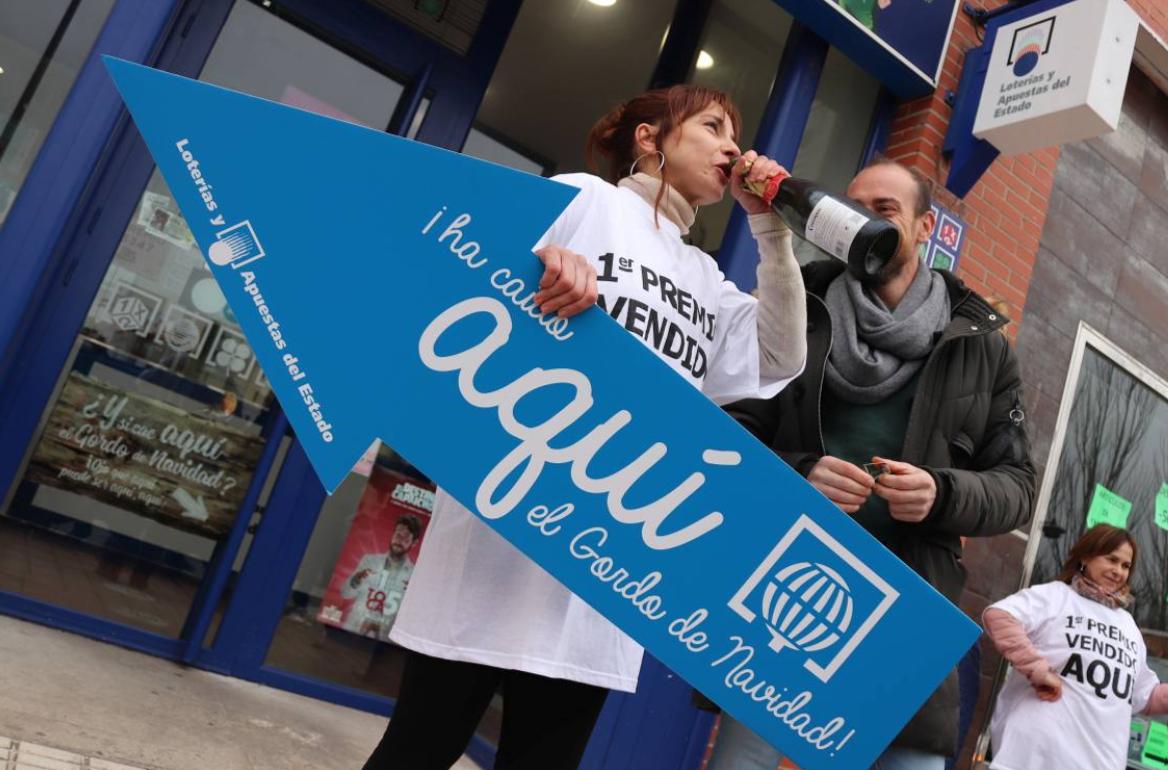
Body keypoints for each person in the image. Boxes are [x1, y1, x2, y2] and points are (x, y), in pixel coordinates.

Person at [362, 84, 808, 770]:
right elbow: (457, 262)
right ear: (650, 140)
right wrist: (540, 260)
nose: (731, 146)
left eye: (735, 133)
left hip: (605, 570)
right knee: (417, 750)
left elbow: (780, 358)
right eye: (713, 126)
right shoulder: (584, 199)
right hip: (502, 536)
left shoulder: (705, 275)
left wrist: (771, 233)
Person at [707, 158, 1038, 770]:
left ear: (923, 227)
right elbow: (725, 437)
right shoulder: (795, 304)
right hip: (785, 596)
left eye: (884, 210)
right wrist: (799, 470)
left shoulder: (984, 348)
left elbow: (1017, 488)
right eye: (853, 208)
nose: (864, 223)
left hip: (905, 615)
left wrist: (941, 493)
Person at [983, 524, 1168, 769]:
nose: (1119, 571)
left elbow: (1145, 697)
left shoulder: (1128, 626)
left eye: (1126, 566)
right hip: (1033, 758)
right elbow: (999, 616)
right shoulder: (1056, 597)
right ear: (1085, 557)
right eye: (1111, 560)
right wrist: (1037, 669)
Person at [338, 514, 423, 639]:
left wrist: (411, 598)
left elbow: (414, 618)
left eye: (405, 538)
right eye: (398, 535)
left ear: (414, 542)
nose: (399, 541)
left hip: (384, 641)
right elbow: (345, 593)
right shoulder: (369, 560)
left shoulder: (414, 575)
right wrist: (356, 580)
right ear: (392, 534)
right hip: (352, 631)